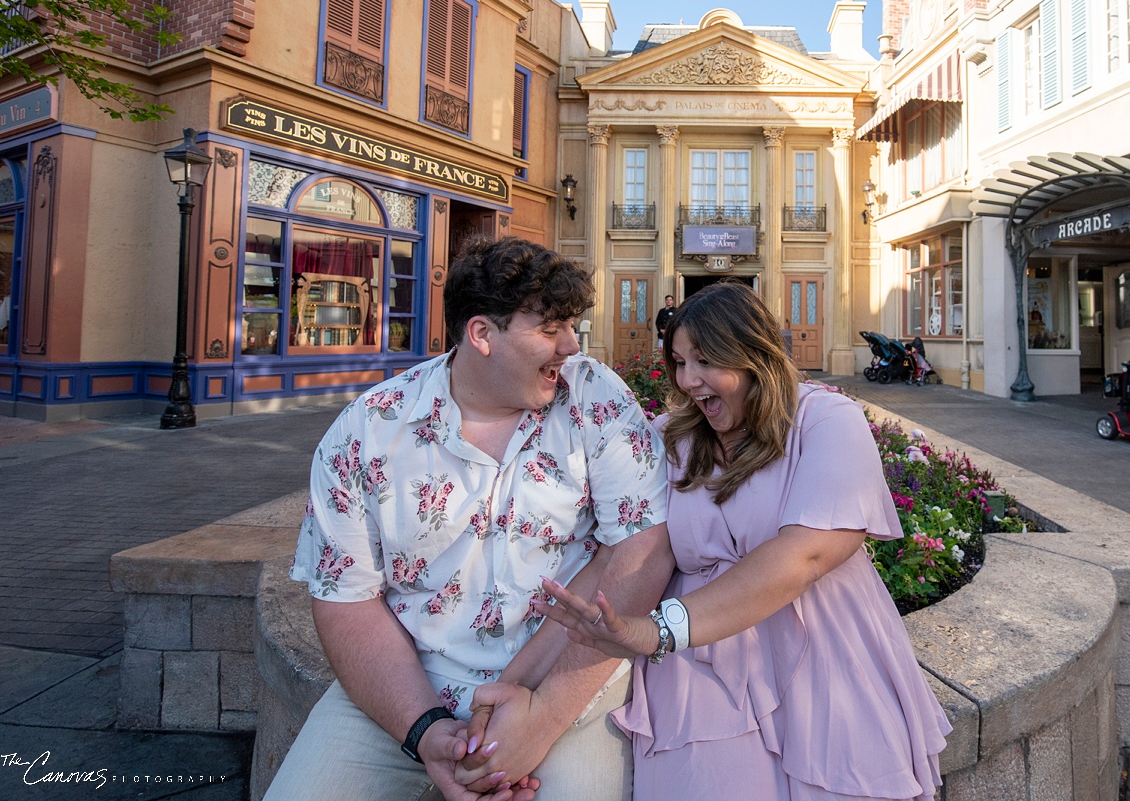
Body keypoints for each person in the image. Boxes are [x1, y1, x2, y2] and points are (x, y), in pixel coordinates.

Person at [265, 236, 674, 801]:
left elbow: (642, 548)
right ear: (481, 334)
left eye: (572, 325)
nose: (571, 345)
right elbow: (347, 599)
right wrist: (424, 731)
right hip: (407, 687)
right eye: (550, 328)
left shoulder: (593, 398)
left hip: (572, 681)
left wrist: (544, 715)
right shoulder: (367, 432)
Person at [534, 282, 951, 800]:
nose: (689, 381)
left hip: (821, 651)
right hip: (699, 676)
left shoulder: (826, 421)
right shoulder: (672, 439)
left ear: (753, 354)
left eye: (705, 361)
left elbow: (805, 555)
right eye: (680, 363)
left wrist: (654, 632)